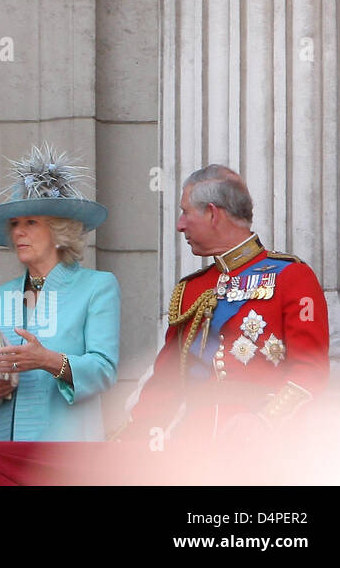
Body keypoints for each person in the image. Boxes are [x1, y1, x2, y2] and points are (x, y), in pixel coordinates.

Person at [124, 165, 329, 442]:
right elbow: (166, 381)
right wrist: (136, 436)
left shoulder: (292, 276)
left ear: (212, 213)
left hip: (264, 447)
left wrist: (266, 421)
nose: (179, 224)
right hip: (193, 449)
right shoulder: (191, 288)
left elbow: (310, 370)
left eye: (185, 212)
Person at [0, 146, 120, 441]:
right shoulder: (1, 296)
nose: (19, 232)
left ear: (59, 231)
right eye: (15, 224)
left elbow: (103, 370)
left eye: (31, 222)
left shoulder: (97, 287)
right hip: (3, 451)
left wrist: (47, 360)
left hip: (64, 454)